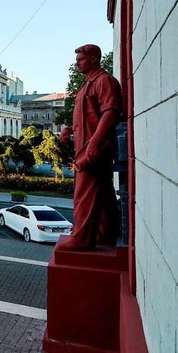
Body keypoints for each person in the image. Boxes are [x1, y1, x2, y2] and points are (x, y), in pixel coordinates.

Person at [57, 44, 122, 251]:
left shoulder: (104, 81)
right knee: (102, 193)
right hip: (86, 145)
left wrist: (94, 142)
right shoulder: (87, 84)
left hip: (93, 148)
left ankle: (82, 237)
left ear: (94, 59)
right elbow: (88, 117)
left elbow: (110, 113)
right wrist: (69, 129)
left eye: (81, 59)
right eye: (77, 60)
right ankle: (104, 235)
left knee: (84, 193)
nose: (77, 63)